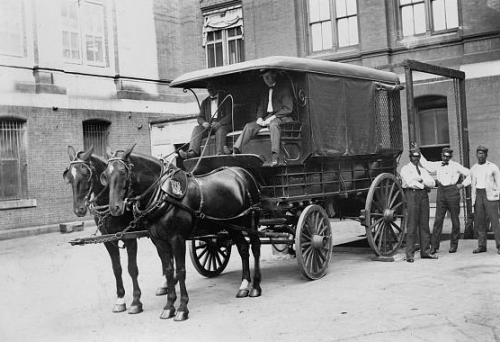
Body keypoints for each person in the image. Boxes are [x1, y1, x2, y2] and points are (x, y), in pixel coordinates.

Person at [223, 69, 294, 166]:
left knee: (274, 125)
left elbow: (287, 109)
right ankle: (235, 150)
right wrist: (259, 118)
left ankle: (275, 156)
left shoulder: (283, 88)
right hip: (268, 117)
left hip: (282, 117)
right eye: (264, 78)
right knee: (249, 126)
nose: (266, 80)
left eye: (268, 76)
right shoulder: (265, 91)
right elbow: (261, 107)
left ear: (274, 75)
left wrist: (272, 117)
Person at [419, 147, 470, 253]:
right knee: (438, 221)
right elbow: (426, 165)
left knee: (455, 221)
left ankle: (454, 245)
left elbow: (471, 174)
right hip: (441, 192)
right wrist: (419, 153)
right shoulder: (438, 164)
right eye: (444, 156)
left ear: (450, 156)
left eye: (448, 156)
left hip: (453, 192)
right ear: (441, 155)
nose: (446, 158)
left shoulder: (456, 166)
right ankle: (434, 246)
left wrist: (462, 185)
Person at [400, 148, 438, 262]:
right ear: (410, 157)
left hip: (423, 197)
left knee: (424, 225)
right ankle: (410, 254)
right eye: (414, 157)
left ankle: (425, 252)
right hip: (412, 196)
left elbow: (431, 182)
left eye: (418, 157)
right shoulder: (405, 169)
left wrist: (420, 180)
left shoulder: (423, 169)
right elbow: (409, 183)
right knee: (412, 225)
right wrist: (423, 184)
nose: (416, 159)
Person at [462, 146, 500, 254]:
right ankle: (482, 245)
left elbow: (499, 182)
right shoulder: (474, 168)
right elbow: (469, 179)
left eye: (483, 153)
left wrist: (497, 194)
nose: (481, 155)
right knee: (480, 222)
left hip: (490, 196)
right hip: (478, 195)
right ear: (476, 155)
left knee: (495, 222)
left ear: (486, 155)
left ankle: (499, 245)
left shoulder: (492, 167)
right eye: (479, 153)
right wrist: (461, 185)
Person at [178, 82, 232, 159]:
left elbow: (230, 115)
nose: (210, 91)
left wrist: (220, 123)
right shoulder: (205, 102)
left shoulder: (225, 98)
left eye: (212, 89)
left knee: (220, 131)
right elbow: (199, 117)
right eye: (209, 89)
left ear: (216, 88)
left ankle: (220, 154)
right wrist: (204, 123)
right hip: (209, 127)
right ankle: (192, 153)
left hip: (223, 125)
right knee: (197, 129)